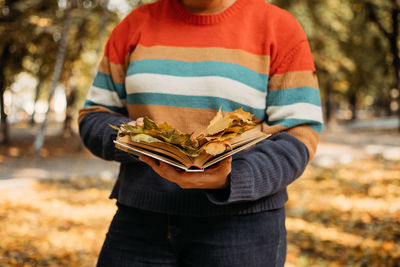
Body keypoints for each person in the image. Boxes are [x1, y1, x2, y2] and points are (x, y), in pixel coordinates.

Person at [78, 0, 323, 266]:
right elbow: (94, 115)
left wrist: (233, 177)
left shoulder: (279, 27)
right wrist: (134, 139)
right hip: (140, 224)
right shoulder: (134, 24)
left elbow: (299, 133)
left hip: (242, 228)